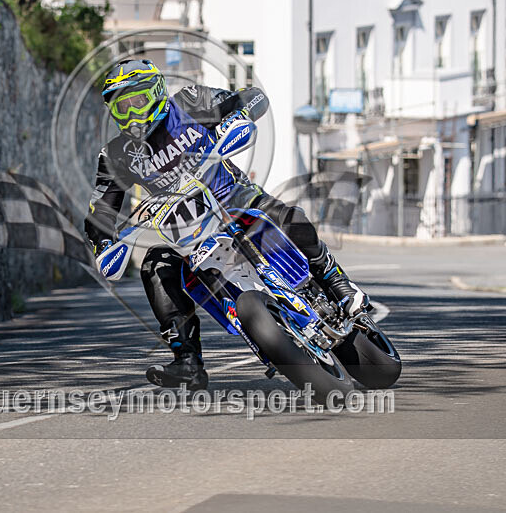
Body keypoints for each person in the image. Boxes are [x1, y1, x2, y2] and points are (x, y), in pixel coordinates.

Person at [84, 59, 368, 390]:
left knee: (287, 216)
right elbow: (101, 207)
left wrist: (237, 116)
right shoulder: (115, 154)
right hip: (185, 234)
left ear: (157, 92)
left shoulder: (189, 101)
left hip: (234, 198)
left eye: (138, 101)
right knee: (155, 265)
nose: (132, 114)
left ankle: (335, 281)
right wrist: (103, 242)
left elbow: (253, 97)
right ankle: (187, 361)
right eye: (122, 108)